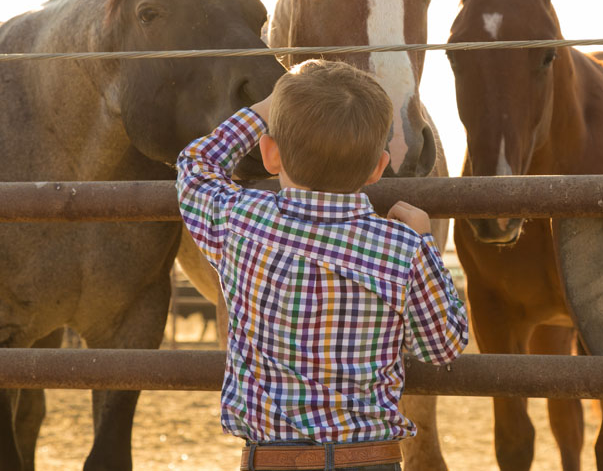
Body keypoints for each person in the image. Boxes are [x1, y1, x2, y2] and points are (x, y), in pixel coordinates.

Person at [176, 58, 468, 471]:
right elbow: (444, 346)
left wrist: (267, 106)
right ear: (377, 169)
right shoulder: (402, 248)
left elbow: (196, 165)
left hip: (273, 461)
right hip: (370, 460)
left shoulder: (239, 222)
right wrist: (423, 240)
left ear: (270, 154)